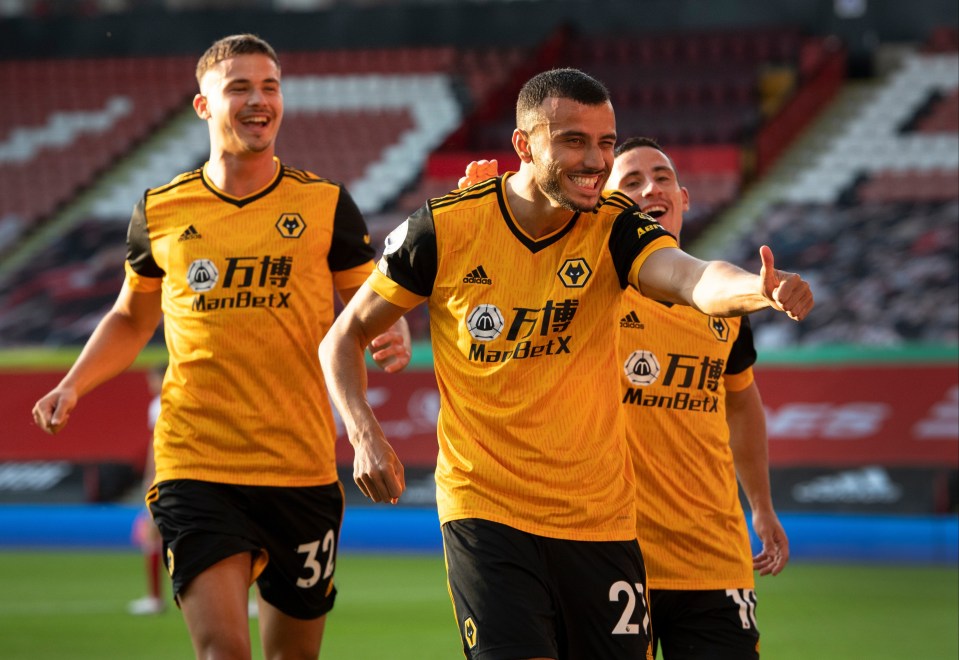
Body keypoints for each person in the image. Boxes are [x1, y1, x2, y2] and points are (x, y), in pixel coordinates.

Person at [319, 67, 811, 660]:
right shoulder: (445, 227)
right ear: (524, 145)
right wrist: (365, 432)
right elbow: (341, 339)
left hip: (599, 519)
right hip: (487, 508)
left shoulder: (612, 229)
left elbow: (693, 277)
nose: (595, 161)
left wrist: (759, 289)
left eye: (606, 142)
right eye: (574, 140)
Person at [32, 33, 410, 659]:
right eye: (239, 87)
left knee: (293, 656)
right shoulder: (160, 210)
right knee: (223, 652)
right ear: (204, 105)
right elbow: (130, 317)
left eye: (270, 86)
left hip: (301, 467)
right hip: (196, 463)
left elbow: (367, 306)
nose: (259, 100)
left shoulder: (325, 206)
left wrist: (388, 330)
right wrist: (74, 382)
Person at [460, 137, 790, 659]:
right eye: (629, 182)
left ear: (683, 198)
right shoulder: (583, 290)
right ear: (603, 207)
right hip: (607, 553)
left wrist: (762, 507)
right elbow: (503, 293)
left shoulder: (722, 310)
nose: (648, 189)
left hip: (713, 556)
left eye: (660, 178)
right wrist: (488, 218)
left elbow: (742, 403)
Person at [127, 364, 166, 616]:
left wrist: (150, 477)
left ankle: (155, 598)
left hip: (167, 478)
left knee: (152, 535)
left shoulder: (161, 404)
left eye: (153, 378)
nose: (150, 383)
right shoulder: (161, 404)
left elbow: (156, 445)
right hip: (181, 476)